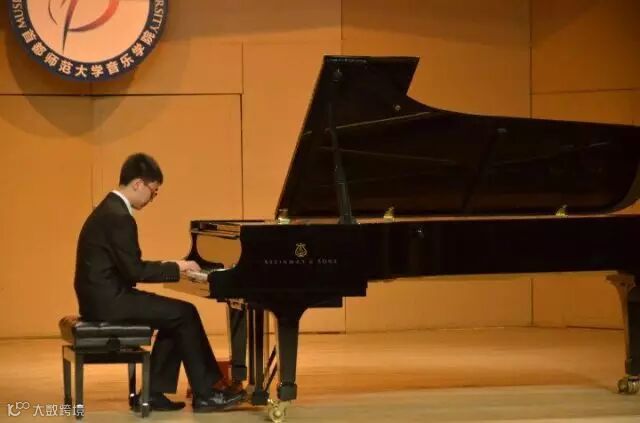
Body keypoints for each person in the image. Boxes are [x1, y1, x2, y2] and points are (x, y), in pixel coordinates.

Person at [74, 153, 243, 413]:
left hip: (101, 297)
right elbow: (134, 271)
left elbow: (128, 267)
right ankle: (207, 393)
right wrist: (176, 267)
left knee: (174, 315)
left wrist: (172, 265)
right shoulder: (119, 217)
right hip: (109, 302)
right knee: (184, 313)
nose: (152, 198)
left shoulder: (109, 209)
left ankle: (153, 393)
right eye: (153, 191)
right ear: (138, 184)